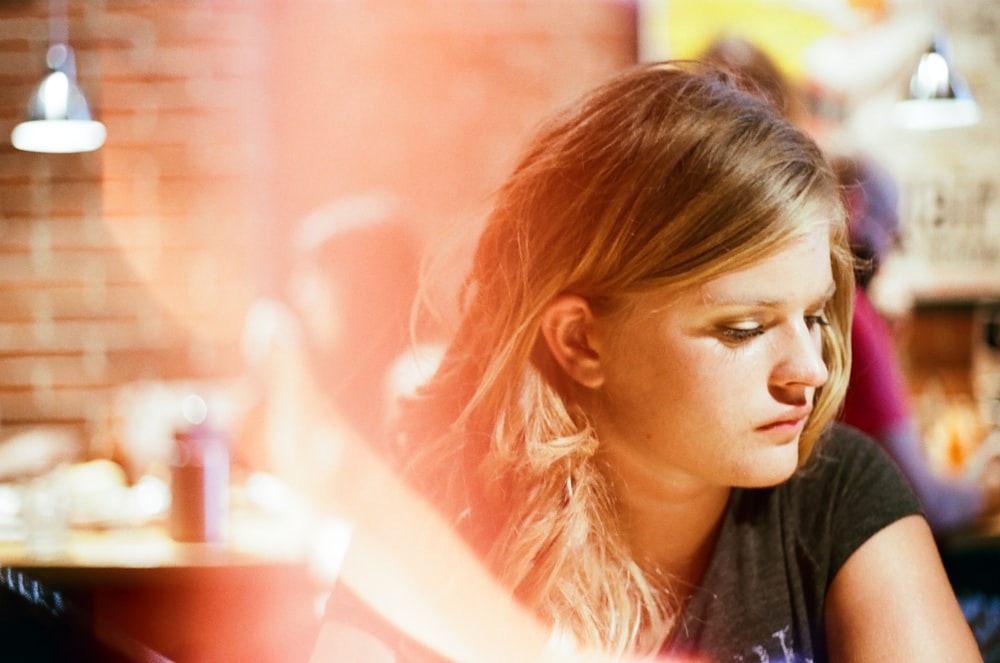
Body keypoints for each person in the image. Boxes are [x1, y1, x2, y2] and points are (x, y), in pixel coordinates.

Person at [311, 62, 980, 662]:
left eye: (812, 317)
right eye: (744, 327)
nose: (809, 369)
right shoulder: (445, 517)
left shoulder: (836, 493)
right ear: (581, 342)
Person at [833, 154, 1000, 534]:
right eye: (892, 232)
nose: (889, 254)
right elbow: (928, 502)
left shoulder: (850, 313)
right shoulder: (854, 316)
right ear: (854, 208)